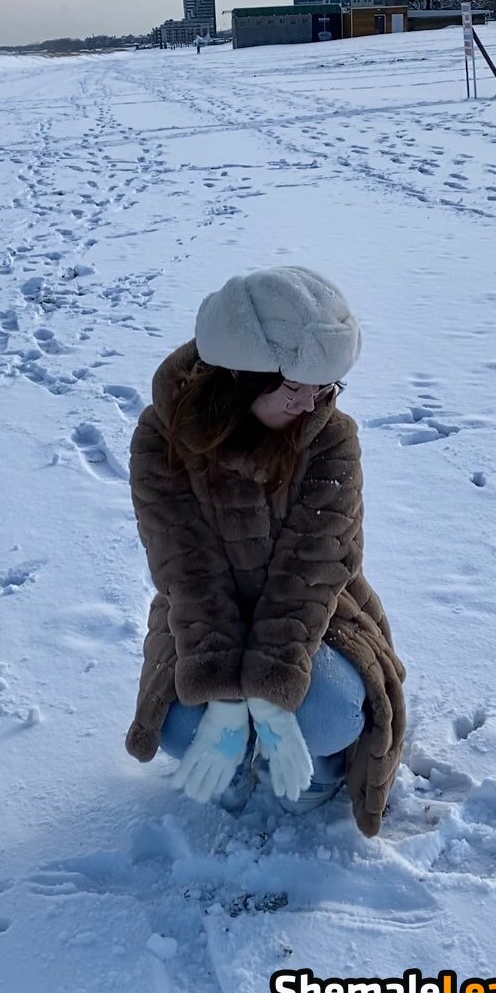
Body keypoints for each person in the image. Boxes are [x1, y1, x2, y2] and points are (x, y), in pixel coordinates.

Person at [125, 267, 406, 838]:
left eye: (324, 389)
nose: (311, 405)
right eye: (295, 390)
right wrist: (228, 703)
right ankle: (230, 760)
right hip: (201, 619)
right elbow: (186, 571)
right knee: (181, 725)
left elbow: (315, 568)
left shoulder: (330, 436)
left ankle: (320, 770)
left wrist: (275, 696)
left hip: (317, 617)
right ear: (238, 377)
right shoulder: (162, 438)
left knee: (326, 714)